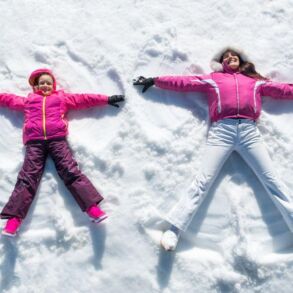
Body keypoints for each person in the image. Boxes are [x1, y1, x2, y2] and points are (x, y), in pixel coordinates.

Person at [133, 47, 293, 251]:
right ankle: (174, 229)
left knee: (272, 180)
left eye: (233, 55)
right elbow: (183, 83)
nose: (230, 57)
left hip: (249, 132)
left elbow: (284, 90)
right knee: (203, 181)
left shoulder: (255, 81)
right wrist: (155, 80)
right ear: (222, 63)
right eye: (226, 56)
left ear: (241, 60)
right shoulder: (213, 79)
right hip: (222, 131)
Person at [0, 68, 124, 236]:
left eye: (48, 83)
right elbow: (7, 99)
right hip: (34, 143)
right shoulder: (29, 100)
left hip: (57, 140)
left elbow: (84, 99)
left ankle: (92, 209)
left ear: (53, 85)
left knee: (70, 171)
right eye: (41, 83)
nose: (45, 86)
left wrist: (106, 99)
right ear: (36, 86)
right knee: (28, 177)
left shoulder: (61, 99)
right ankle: (13, 220)